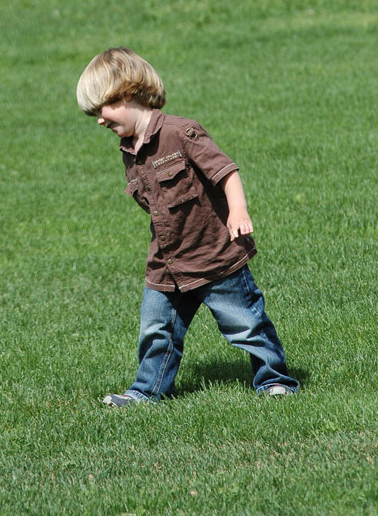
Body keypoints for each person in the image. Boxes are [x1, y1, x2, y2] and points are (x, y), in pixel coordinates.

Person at [77, 47, 299, 406]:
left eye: (100, 109)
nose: (99, 121)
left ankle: (275, 381)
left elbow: (226, 171)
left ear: (127, 94)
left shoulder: (182, 133)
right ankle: (146, 392)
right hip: (166, 263)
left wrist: (238, 213)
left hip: (214, 254)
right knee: (156, 331)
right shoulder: (129, 149)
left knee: (245, 325)